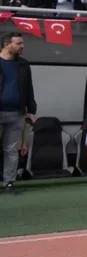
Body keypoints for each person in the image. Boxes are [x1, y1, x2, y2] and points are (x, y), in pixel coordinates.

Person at [0, 31, 37, 194]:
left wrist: (31, 110)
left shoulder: (23, 64)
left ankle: (9, 182)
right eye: (18, 43)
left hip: (17, 113)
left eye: (22, 43)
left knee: (11, 150)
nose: (22, 46)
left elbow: (29, 88)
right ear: (7, 44)